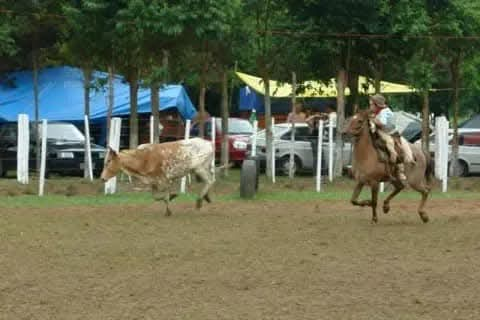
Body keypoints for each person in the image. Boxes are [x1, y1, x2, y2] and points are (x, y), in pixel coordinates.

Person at [369, 94, 415, 182]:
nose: (370, 106)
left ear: (377, 105)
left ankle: (398, 167)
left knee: (390, 144)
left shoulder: (385, 112)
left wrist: (372, 119)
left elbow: (382, 123)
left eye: (371, 104)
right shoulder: (376, 112)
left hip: (388, 133)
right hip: (380, 132)